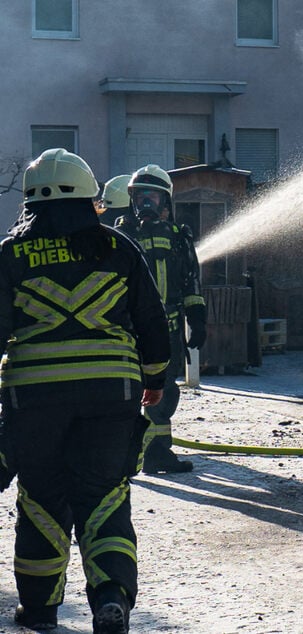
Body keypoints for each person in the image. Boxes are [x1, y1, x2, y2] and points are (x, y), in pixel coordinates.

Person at [0, 148, 170, 632]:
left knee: (41, 502)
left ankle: (38, 610)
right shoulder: (118, 248)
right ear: (92, 197)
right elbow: (152, 324)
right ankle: (111, 599)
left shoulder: (10, 254)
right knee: (106, 498)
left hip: (33, 402)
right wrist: (154, 381)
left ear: (31, 200)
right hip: (109, 397)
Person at [126, 164, 206, 474]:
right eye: (141, 196)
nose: (146, 202)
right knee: (128, 391)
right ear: (132, 200)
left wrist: (197, 320)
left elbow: (192, 283)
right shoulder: (122, 235)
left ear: (166, 202)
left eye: (153, 197)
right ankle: (128, 451)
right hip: (129, 330)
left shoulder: (179, 237)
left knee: (165, 390)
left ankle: (157, 451)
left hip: (168, 328)